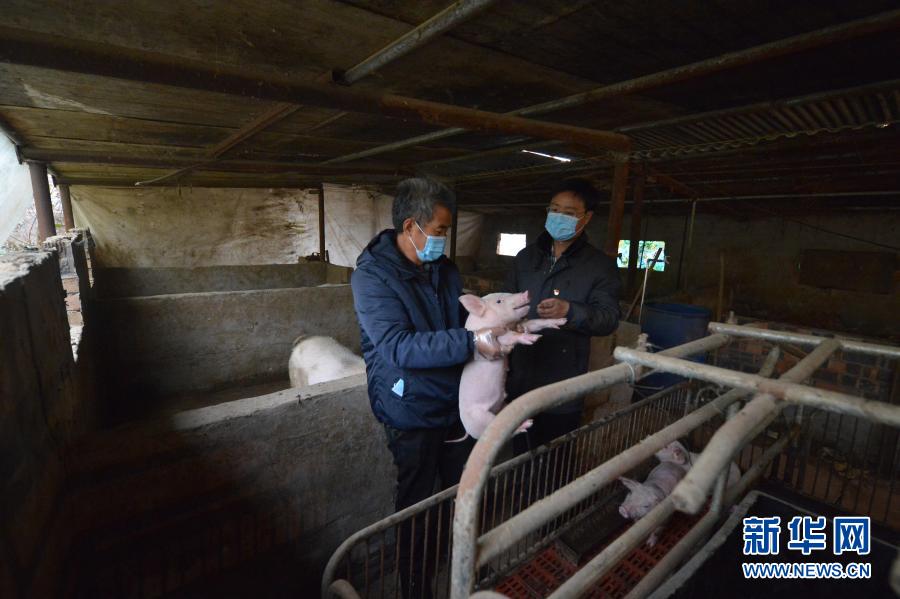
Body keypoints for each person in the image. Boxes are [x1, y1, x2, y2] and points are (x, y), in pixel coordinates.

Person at [351, 177, 507, 598]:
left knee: (460, 492)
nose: (443, 239)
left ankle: (456, 564)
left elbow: (460, 319)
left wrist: (496, 322)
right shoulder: (372, 278)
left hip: (454, 402)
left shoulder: (444, 269)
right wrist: (471, 342)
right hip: (409, 408)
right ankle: (414, 586)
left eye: (447, 230)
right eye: (439, 230)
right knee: (417, 504)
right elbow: (397, 346)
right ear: (410, 226)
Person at [504, 178, 622, 452]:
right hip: (520, 375)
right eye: (554, 209)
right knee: (518, 455)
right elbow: (505, 300)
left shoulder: (599, 266)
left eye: (568, 213)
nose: (558, 217)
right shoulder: (526, 258)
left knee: (556, 457)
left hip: (563, 382)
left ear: (586, 218)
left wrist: (571, 311)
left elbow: (608, 318)